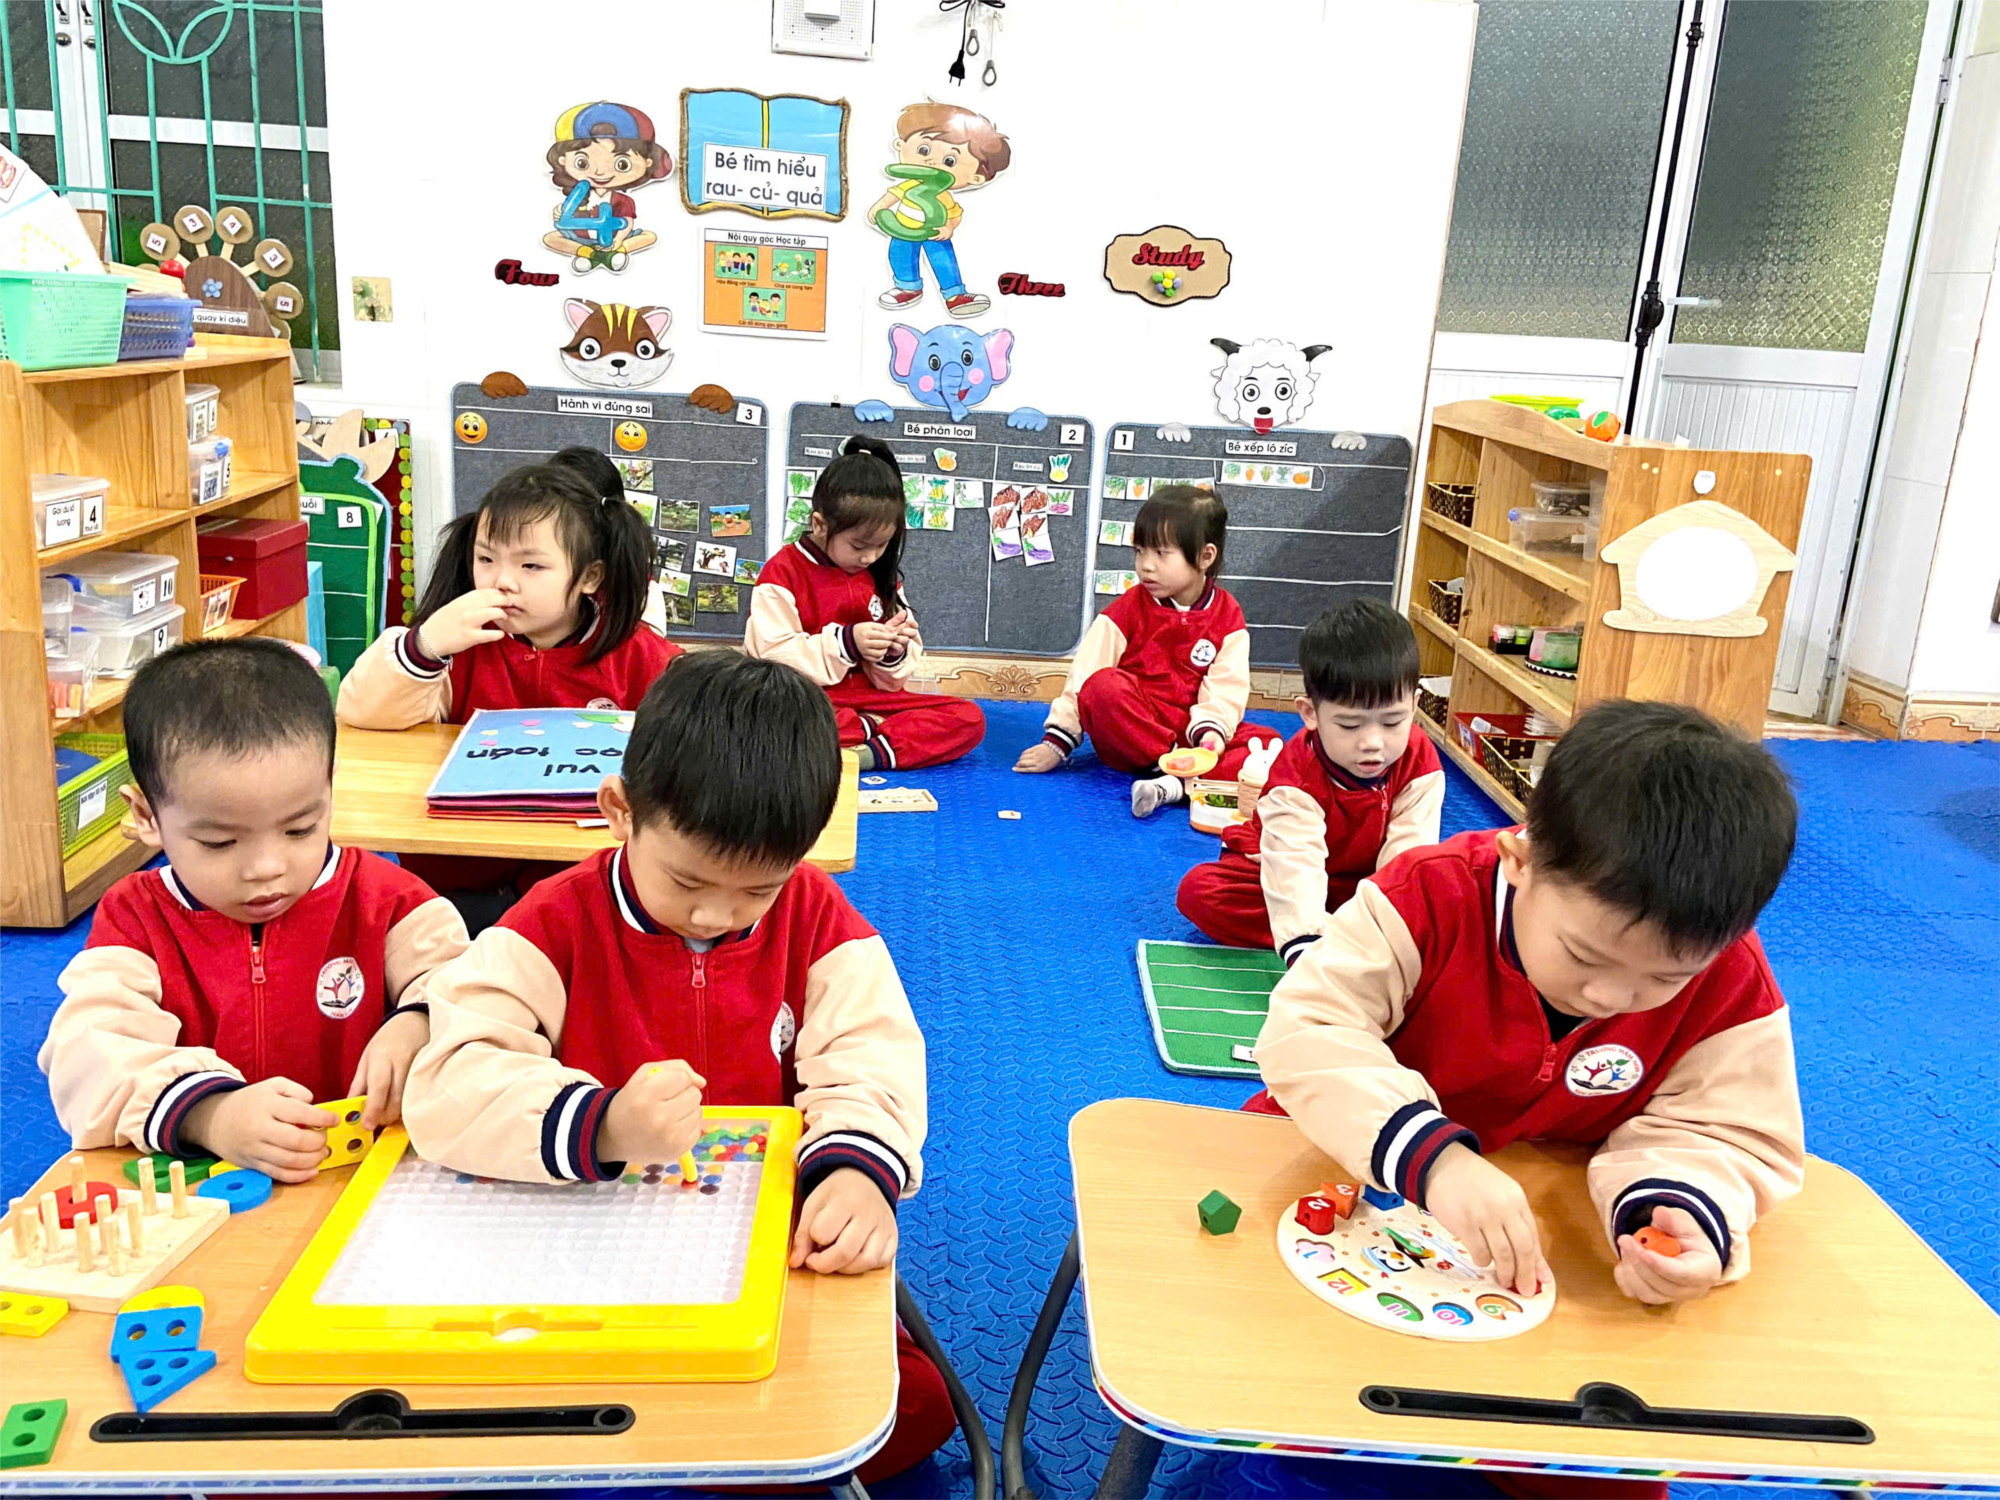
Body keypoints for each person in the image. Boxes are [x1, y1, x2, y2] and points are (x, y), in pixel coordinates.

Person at [404, 651, 952, 1484]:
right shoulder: (553, 922)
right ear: (619, 811)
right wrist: (601, 1124)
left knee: (899, 1407)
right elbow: (448, 1080)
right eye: (687, 879)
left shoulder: (815, 914)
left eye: (757, 890)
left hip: (766, 1240)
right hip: (583, 1237)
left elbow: (869, 1054)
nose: (714, 914)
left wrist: (857, 1170)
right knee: (458, 1419)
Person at [1252, 699, 1805, 1321]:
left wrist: (1683, 1206)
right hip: (1345, 1152)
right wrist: (1433, 1159)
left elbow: (1728, 1130)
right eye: (1584, 955)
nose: (1610, 999)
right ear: (1520, 862)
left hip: (1533, 1216)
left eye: (1663, 978)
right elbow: (1309, 1028)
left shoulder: (1728, 975)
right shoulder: (1424, 899)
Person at [38, 639, 467, 1181]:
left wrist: (419, 1019)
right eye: (220, 843)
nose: (267, 868)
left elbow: (470, 985)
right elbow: (86, 1049)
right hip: (209, 1187)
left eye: (299, 829)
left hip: (369, 1176)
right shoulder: (136, 918)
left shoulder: (387, 899)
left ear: (329, 788)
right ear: (147, 817)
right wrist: (208, 1113)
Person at [338, 462, 678, 926]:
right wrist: (424, 646)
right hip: (452, 879)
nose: (502, 581)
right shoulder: (457, 642)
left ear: (590, 577)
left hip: (584, 892)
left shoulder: (641, 657)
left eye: (531, 565)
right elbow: (362, 714)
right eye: (486, 559)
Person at [1177, 600, 1443, 962]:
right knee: (1201, 892)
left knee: (1451, 896)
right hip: (1287, 871)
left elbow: (1408, 853)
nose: (1372, 743)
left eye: (1392, 722)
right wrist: (1305, 947)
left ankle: (1351, 928)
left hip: (1363, 884)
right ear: (1309, 714)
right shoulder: (1294, 776)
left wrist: (1392, 920)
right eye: (1350, 725)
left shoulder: (1420, 760)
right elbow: (1293, 862)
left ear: (1414, 705)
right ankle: (1344, 932)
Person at [1015, 485, 1261, 817]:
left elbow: (1226, 690)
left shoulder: (1228, 616)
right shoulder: (1126, 610)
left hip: (1190, 734)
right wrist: (1057, 743)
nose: (1146, 566)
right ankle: (1182, 776)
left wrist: (1211, 734)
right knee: (1102, 687)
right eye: (1140, 551)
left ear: (1206, 557)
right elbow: (1084, 678)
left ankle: (1171, 787)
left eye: (1161, 554)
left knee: (1265, 746)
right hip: (1133, 735)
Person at [747, 435, 984, 770]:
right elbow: (769, 658)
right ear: (819, 525)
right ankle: (872, 730)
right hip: (804, 700)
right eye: (858, 546)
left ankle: (865, 750)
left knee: (969, 718)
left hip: (870, 700)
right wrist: (847, 644)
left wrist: (893, 652)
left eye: (881, 545)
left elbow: (893, 681)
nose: (869, 557)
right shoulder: (783, 571)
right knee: (761, 715)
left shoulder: (881, 575)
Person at [869, 101, 1011, 318]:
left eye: (950, 160)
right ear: (900, 145)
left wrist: (948, 227)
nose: (932, 162)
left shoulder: (942, 196)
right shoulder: (909, 185)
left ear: (975, 177)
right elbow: (892, 196)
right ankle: (907, 288)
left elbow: (954, 214)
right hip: (903, 229)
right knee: (900, 256)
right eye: (923, 150)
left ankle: (955, 295)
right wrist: (879, 208)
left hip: (934, 232)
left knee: (943, 259)